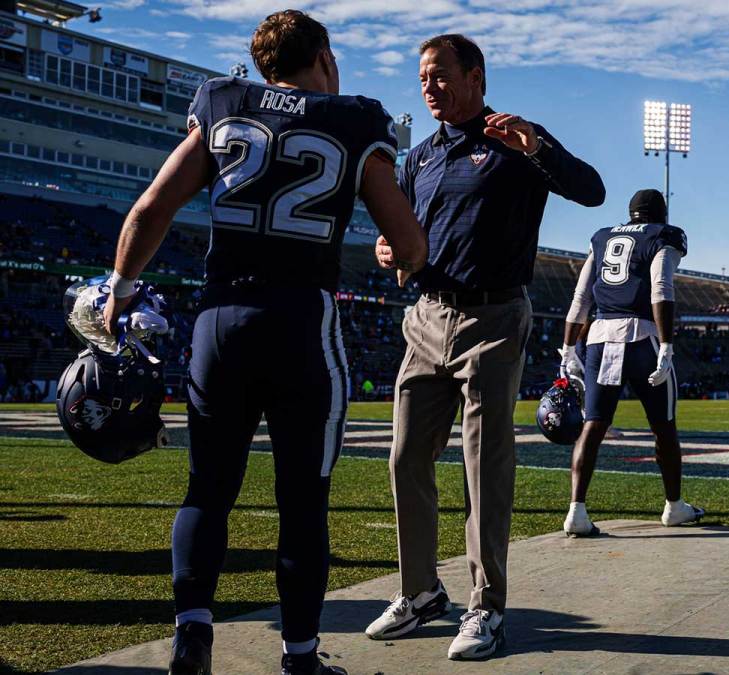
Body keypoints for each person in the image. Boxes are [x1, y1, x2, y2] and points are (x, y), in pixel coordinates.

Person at [101, 10, 428, 675]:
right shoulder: (355, 117)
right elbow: (412, 245)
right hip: (300, 321)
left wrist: (119, 288)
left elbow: (149, 209)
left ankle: (193, 628)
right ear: (325, 58)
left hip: (220, 320)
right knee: (302, 500)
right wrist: (400, 249)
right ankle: (299, 657)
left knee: (207, 488)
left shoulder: (223, 101)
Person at [366, 34, 604, 661]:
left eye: (440, 75)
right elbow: (402, 243)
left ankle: (486, 606)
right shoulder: (418, 158)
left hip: (495, 316)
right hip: (425, 317)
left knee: (483, 466)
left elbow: (593, 190)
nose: (428, 85)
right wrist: (389, 250)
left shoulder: (516, 141)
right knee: (405, 459)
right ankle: (420, 593)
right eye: (422, 76)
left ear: (476, 77)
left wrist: (541, 148)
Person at [558, 189, 704, 537]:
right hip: (642, 336)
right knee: (663, 426)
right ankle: (674, 506)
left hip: (599, 336)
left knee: (593, 425)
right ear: (661, 213)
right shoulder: (662, 236)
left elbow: (581, 297)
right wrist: (666, 344)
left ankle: (576, 511)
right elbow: (661, 288)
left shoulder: (602, 237)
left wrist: (566, 349)